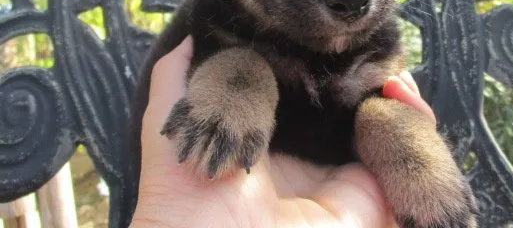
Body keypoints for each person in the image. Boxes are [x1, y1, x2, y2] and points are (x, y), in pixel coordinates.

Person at [130, 36, 437, 228]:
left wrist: (399, 139)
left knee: (385, 112)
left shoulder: (374, 45)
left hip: (347, 200)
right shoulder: (218, 27)